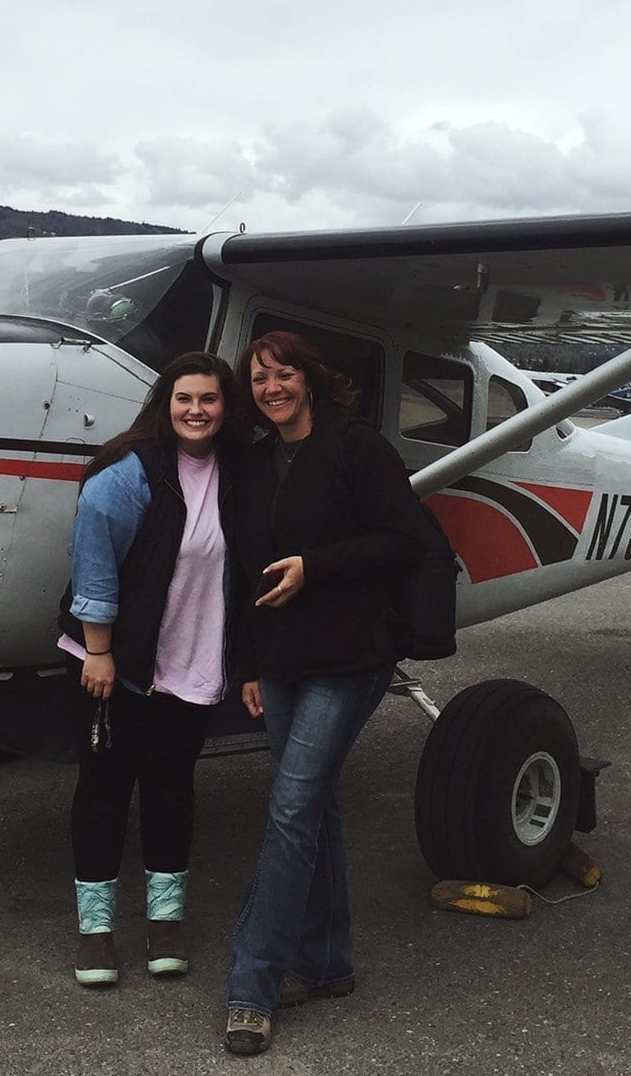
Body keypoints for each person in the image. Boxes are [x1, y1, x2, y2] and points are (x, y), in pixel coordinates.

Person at [222, 330, 456, 1056]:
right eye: (258, 378)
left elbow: (408, 541)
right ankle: (327, 966)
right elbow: (245, 570)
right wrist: (249, 666)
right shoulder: (256, 463)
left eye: (283, 374)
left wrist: (316, 568)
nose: (270, 388)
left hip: (352, 655)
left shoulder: (358, 447)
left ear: (311, 379)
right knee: (313, 806)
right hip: (284, 657)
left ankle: (253, 985)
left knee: (291, 807)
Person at [57, 350, 243, 988]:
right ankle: (96, 930)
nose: (197, 411)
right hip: (119, 663)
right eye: (185, 398)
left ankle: (165, 921)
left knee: (171, 789)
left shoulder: (235, 472)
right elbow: (94, 559)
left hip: (192, 662)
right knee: (104, 791)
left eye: (210, 399)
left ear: (225, 408)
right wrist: (99, 649)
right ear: (166, 403)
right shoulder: (128, 472)